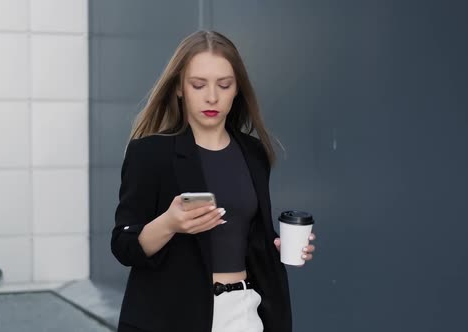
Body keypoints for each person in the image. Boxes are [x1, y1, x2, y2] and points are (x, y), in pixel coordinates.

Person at [111, 30, 316, 332]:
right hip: (173, 316)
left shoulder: (253, 152)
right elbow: (123, 245)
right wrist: (170, 223)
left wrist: (281, 245)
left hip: (244, 313)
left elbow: (248, 237)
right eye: (198, 84)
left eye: (224, 84)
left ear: (237, 90)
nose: (212, 96)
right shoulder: (150, 153)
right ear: (180, 87)